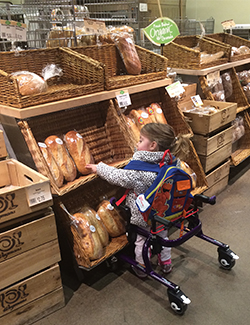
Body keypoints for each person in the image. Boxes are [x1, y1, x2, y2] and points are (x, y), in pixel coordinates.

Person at [86, 122, 190, 278]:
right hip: (164, 212)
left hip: (144, 215)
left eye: (141, 140)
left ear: (153, 145)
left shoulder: (139, 169)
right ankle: (166, 264)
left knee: (141, 241)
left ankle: (142, 268)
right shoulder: (173, 162)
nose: (136, 143)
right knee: (162, 236)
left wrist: (99, 168)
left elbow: (118, 176)